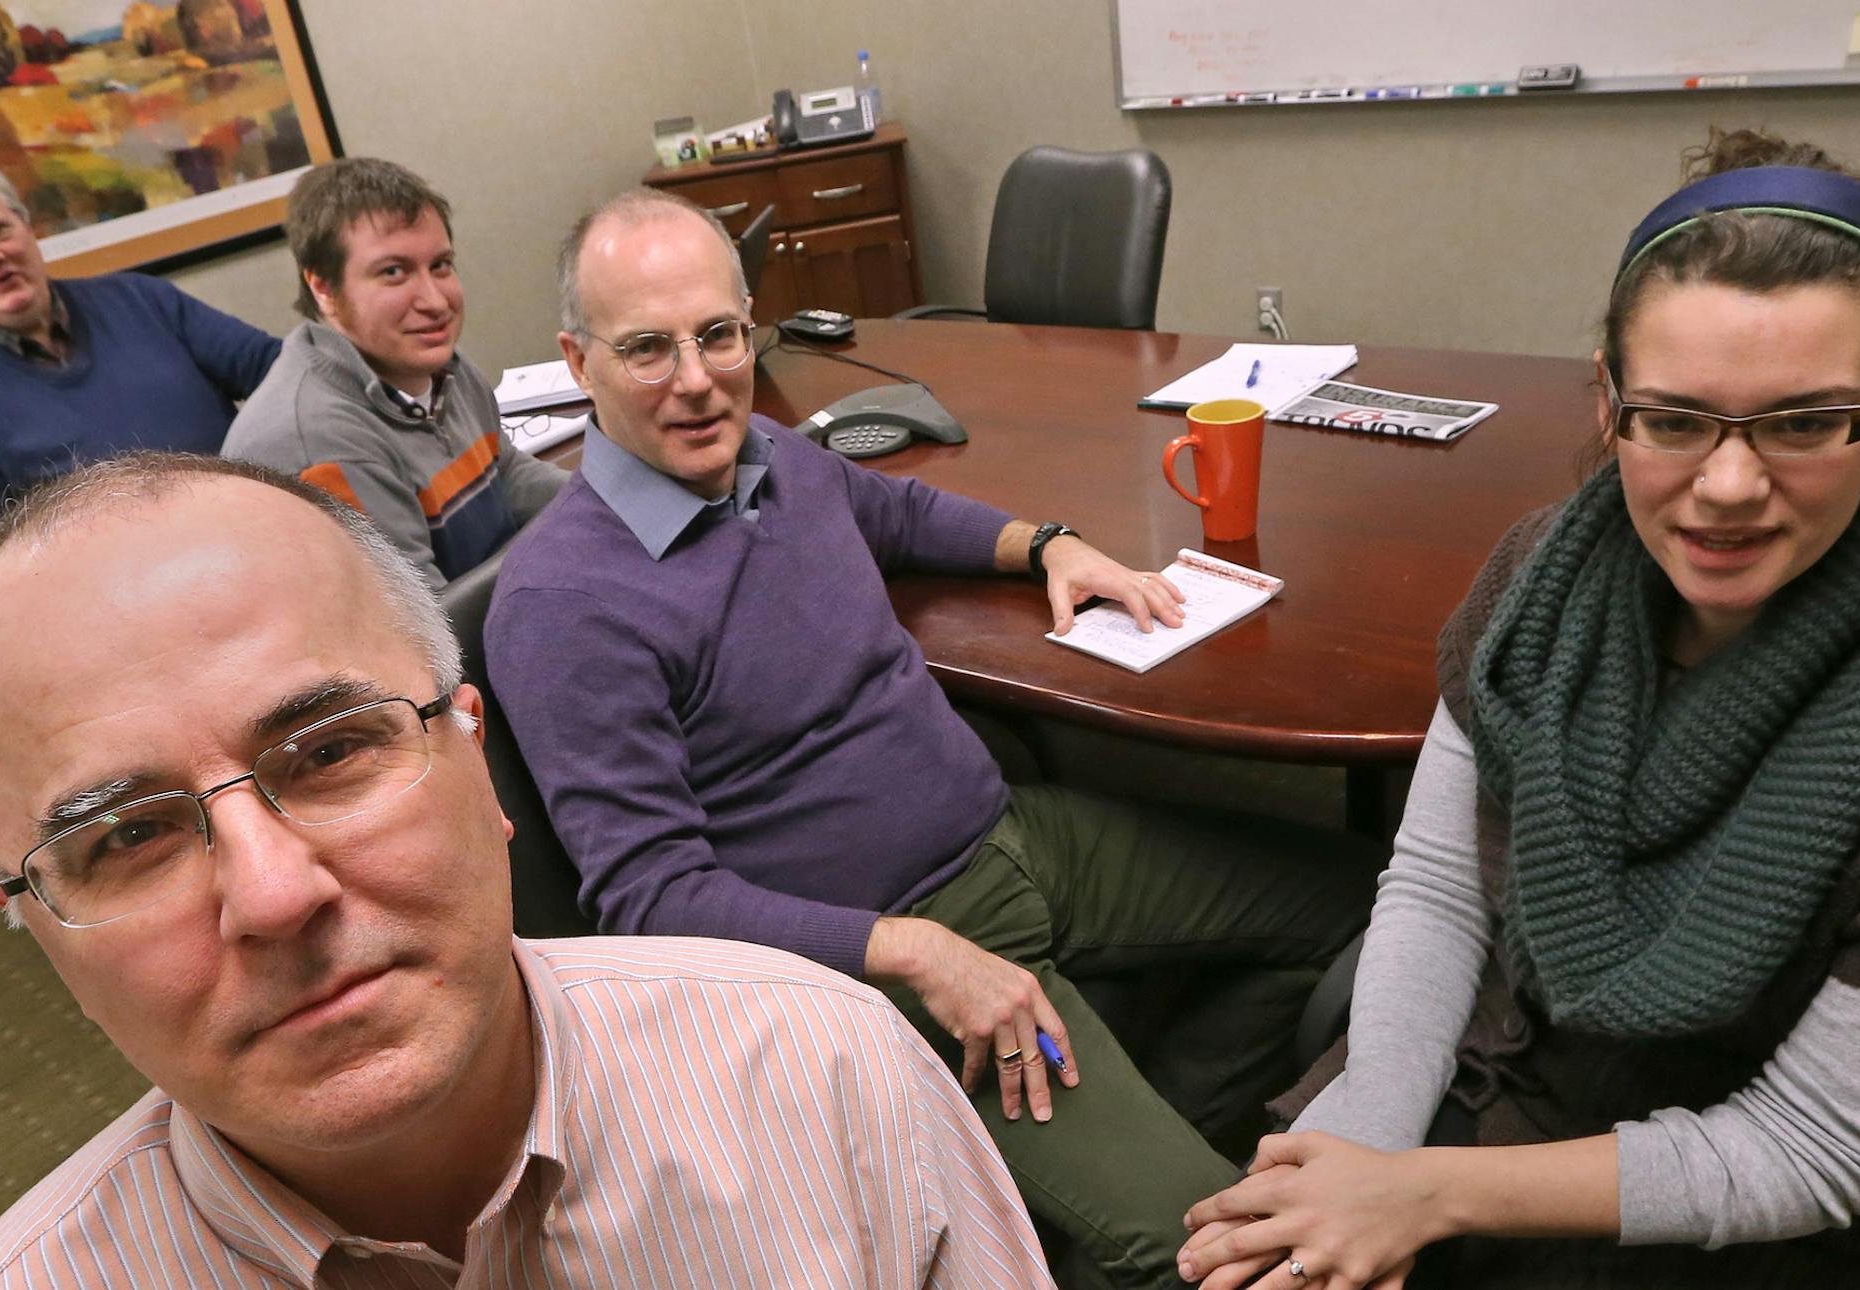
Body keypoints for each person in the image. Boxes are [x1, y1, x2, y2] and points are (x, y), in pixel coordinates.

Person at [1177, 130, 1860, 1290]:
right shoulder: (1537, 580)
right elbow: (1441, 890)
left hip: (1747, 1228)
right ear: (1609, 402)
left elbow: (1817, 1148)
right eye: (1676, 419)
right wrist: (1361, 1156)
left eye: (1804, 423)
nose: (1729, 487)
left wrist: (1420, 1196)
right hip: (1490, 1086)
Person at [484, 186, 1375, 1287]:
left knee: (1358, 901)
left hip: (1017, 836)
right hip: (892, 950)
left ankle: (1142, 1165)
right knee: (1233, 1263)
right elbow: (650, 899)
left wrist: (1047, 545)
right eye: (647, 349)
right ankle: (1143, 1205)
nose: (698, 379)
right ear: (579, 363)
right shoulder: (565, 604)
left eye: (718, 335)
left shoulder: (766, 455)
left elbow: (899, 513)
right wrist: (915, 950)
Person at [0, 452, 1051, 1289]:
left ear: (478, 755)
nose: (275, 894)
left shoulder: (832, 1075)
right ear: (34, 927)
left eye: (330, 751)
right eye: (128, 838)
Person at [0, 162, 281, 558]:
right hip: (120, 582)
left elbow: (281, 371)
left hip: (256, 531)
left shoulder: (142, 300)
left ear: (28, 227)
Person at [223, 158, 563, 588]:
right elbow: (428, 618)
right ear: (323, 288)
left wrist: (615, 505)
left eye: (440, 265)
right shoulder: (319, 441)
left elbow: (506, 474)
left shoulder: (441, 369)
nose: (435, 302)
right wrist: (571, 550)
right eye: (394, 272)